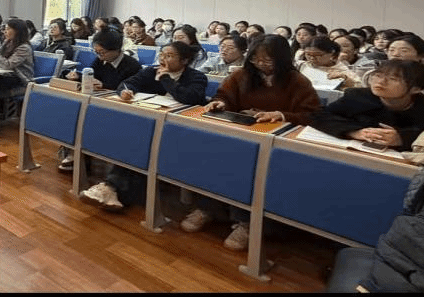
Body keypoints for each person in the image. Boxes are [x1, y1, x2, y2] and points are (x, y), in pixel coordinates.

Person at [186, 35, 320, 250]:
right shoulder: (241, 75)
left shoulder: (297, 81)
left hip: (274, 144)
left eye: (267, 60)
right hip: (240, 136)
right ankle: (208, 208)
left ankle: (246, 222)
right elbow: (224, 96)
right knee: (212, 161)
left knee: (249, 172)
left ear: (282, 59)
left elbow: (312, 114)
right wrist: (219, 104)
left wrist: (280, 114)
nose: (260, 64)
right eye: (256, 59)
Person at [80, 41, 207, 211]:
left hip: (180, 131)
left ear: (184, 60)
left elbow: (190, 98)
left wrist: (166, 78)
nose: (163, 59)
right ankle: (111, 189)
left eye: (169, 56)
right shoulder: (150, 71)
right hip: (151, 126)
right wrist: (125, 91)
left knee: (139, 142)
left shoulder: (197, 77)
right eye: (162, 54)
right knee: (135, 139)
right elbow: (127, 83)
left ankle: (110, 188)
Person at [311, 59, 424, 151]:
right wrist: (354, 132)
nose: (380, 82)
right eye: (378, 75)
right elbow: (318, 115)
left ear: (416, 89)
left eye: (393, 79)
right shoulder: (358, 96)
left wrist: (403, 138)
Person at [60, 28, 143, 171]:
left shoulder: (132, 65)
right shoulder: (100, 61)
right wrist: (79, 77)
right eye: (96, 52)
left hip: (119, 108)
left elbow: (126, 88)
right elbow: (92, 76)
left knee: (86, 118)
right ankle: (75, 151)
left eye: (102, 52)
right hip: (97, 102)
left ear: (116, 49)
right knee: (72, 111)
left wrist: (104, 85)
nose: (99, 56)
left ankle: (80, 154)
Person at [365, 34, 424, 105]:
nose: (395, 54)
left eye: (404, 51)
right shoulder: (372, 74)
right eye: (391, 50)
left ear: (421, 55)